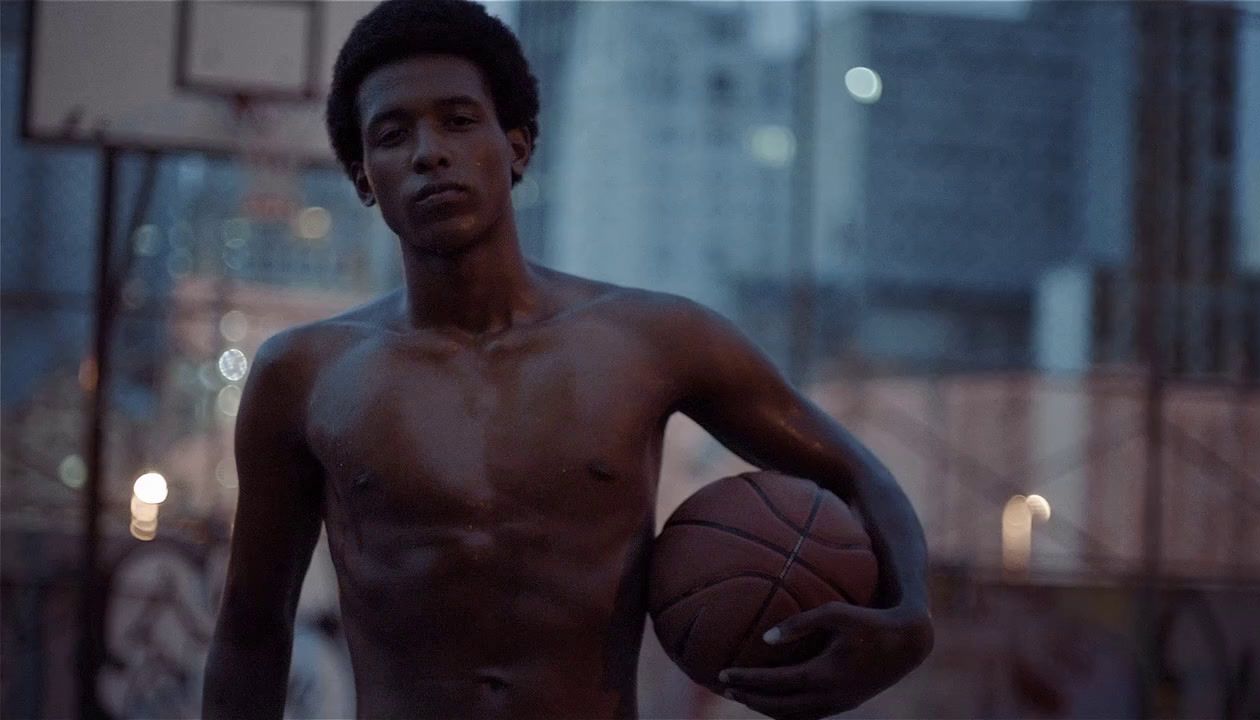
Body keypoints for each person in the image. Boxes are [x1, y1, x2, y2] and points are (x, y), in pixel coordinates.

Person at [201, 1, 933, 717]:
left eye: (459, 121)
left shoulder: (654, 340)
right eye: (394, 136)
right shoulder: (303, 376)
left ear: (517, 145)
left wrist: (910, 618)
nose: (430, 152)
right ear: (364, 178)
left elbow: (857, 474)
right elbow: (252, 630)